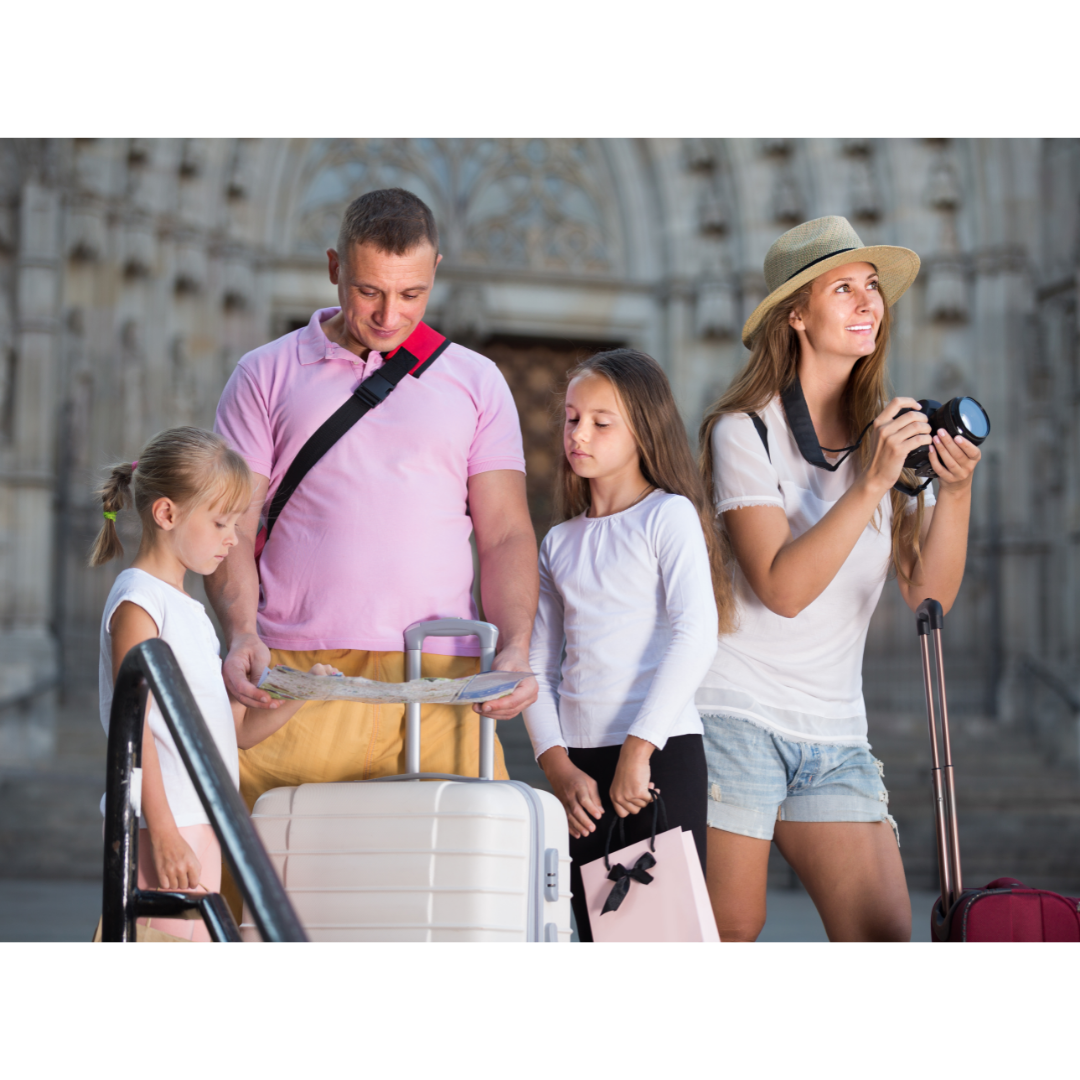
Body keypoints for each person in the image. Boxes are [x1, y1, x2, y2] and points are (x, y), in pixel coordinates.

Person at [208, 189, 538, 866]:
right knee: (264, 892)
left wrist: (516, 647)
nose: (391, 315)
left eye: (412, 294)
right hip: (299, 676)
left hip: (441, 680)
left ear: (437, 271)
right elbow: (231, 528)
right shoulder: (263, 373)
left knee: (449, 900)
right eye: (369, 291)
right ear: (334, 266)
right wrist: (241, 632)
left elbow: (505, 533)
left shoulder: (478, 381)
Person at [697, 216, 982, 943]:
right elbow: (782, 589)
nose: (868, 303)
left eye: (873, 289)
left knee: (883, 931)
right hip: (737, 713)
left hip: (835, 733)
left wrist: (954, 492)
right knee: (730, 926)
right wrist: (871, 481)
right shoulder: (745, 430)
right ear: (796, 315)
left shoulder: (885, 435)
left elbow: (927, 599)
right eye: (844, 288)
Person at [91, 428, 337, 941]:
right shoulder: (139, 602)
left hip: (202, 819)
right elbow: (132, 737)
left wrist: (302, 694)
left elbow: (236, 733)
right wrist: (161, 833)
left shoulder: (193, 612)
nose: (233, 538)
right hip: (166, 824)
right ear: (166, 514)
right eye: (222, 522)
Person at [523, 349, 733, 943]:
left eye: (600, 421)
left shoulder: (668, 517)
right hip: (580, 774)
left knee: (664, 930)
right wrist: (556, 764)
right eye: (570, 419)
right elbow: (539, 664)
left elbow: (697, 633)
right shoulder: (558, 542)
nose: (578, 434)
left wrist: (638, 752)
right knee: (601, 932)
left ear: (642, 427)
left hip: (657, 757)